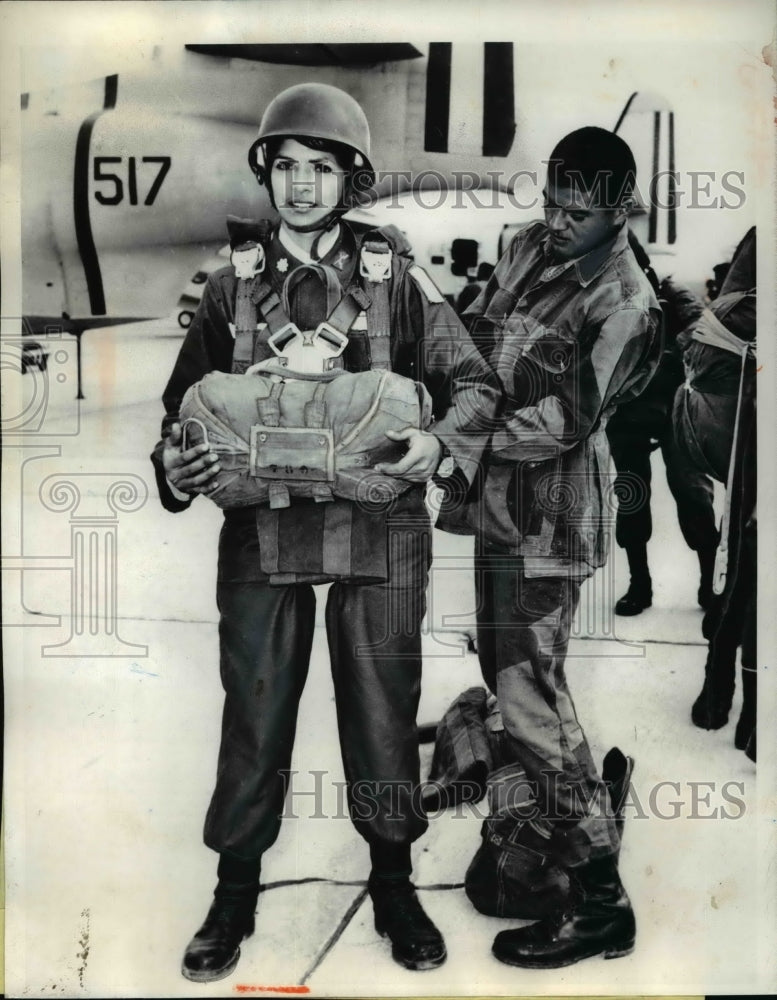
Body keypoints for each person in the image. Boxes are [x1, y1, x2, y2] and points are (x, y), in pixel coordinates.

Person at [151, 83, 498, 983]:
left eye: (322, 167)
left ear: (352, 177)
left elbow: (475, 387)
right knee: (255, 712)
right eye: (287, 166)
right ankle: (234, 891)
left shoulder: (400, 278)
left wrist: (433, 439)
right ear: (266, 172)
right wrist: (175, 469)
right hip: (263, 532)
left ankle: (392, 883)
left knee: (381, 713)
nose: (302, 186)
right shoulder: (229, 285)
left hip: (379, 526)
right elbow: (175, 418)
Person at [443, 126, 661, 968]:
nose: (555, 222)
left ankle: (601, 900)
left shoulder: (622, 301)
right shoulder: (529, 246)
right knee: (507, 676)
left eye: (575, 212)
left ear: (616, 208)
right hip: (499, 509)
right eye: (550, 203)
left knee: (531, 697)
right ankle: (539, 833)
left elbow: (560, 423)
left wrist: (452, 436)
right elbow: (482, 333)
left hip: (549, 519)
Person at [672, 227, 756, 758]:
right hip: (748, 406)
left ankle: (734, 688)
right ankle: (723, 679)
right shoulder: (759, 243)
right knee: (745, 556)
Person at [607, 235, 718, 616]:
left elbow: (703, 335)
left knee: (693, 493)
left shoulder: (672, 295)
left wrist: (660, 356)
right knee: (631, 497)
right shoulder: (606, 300)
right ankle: (640, 584)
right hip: (627, 414)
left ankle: (711, 581)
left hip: (675, 410)